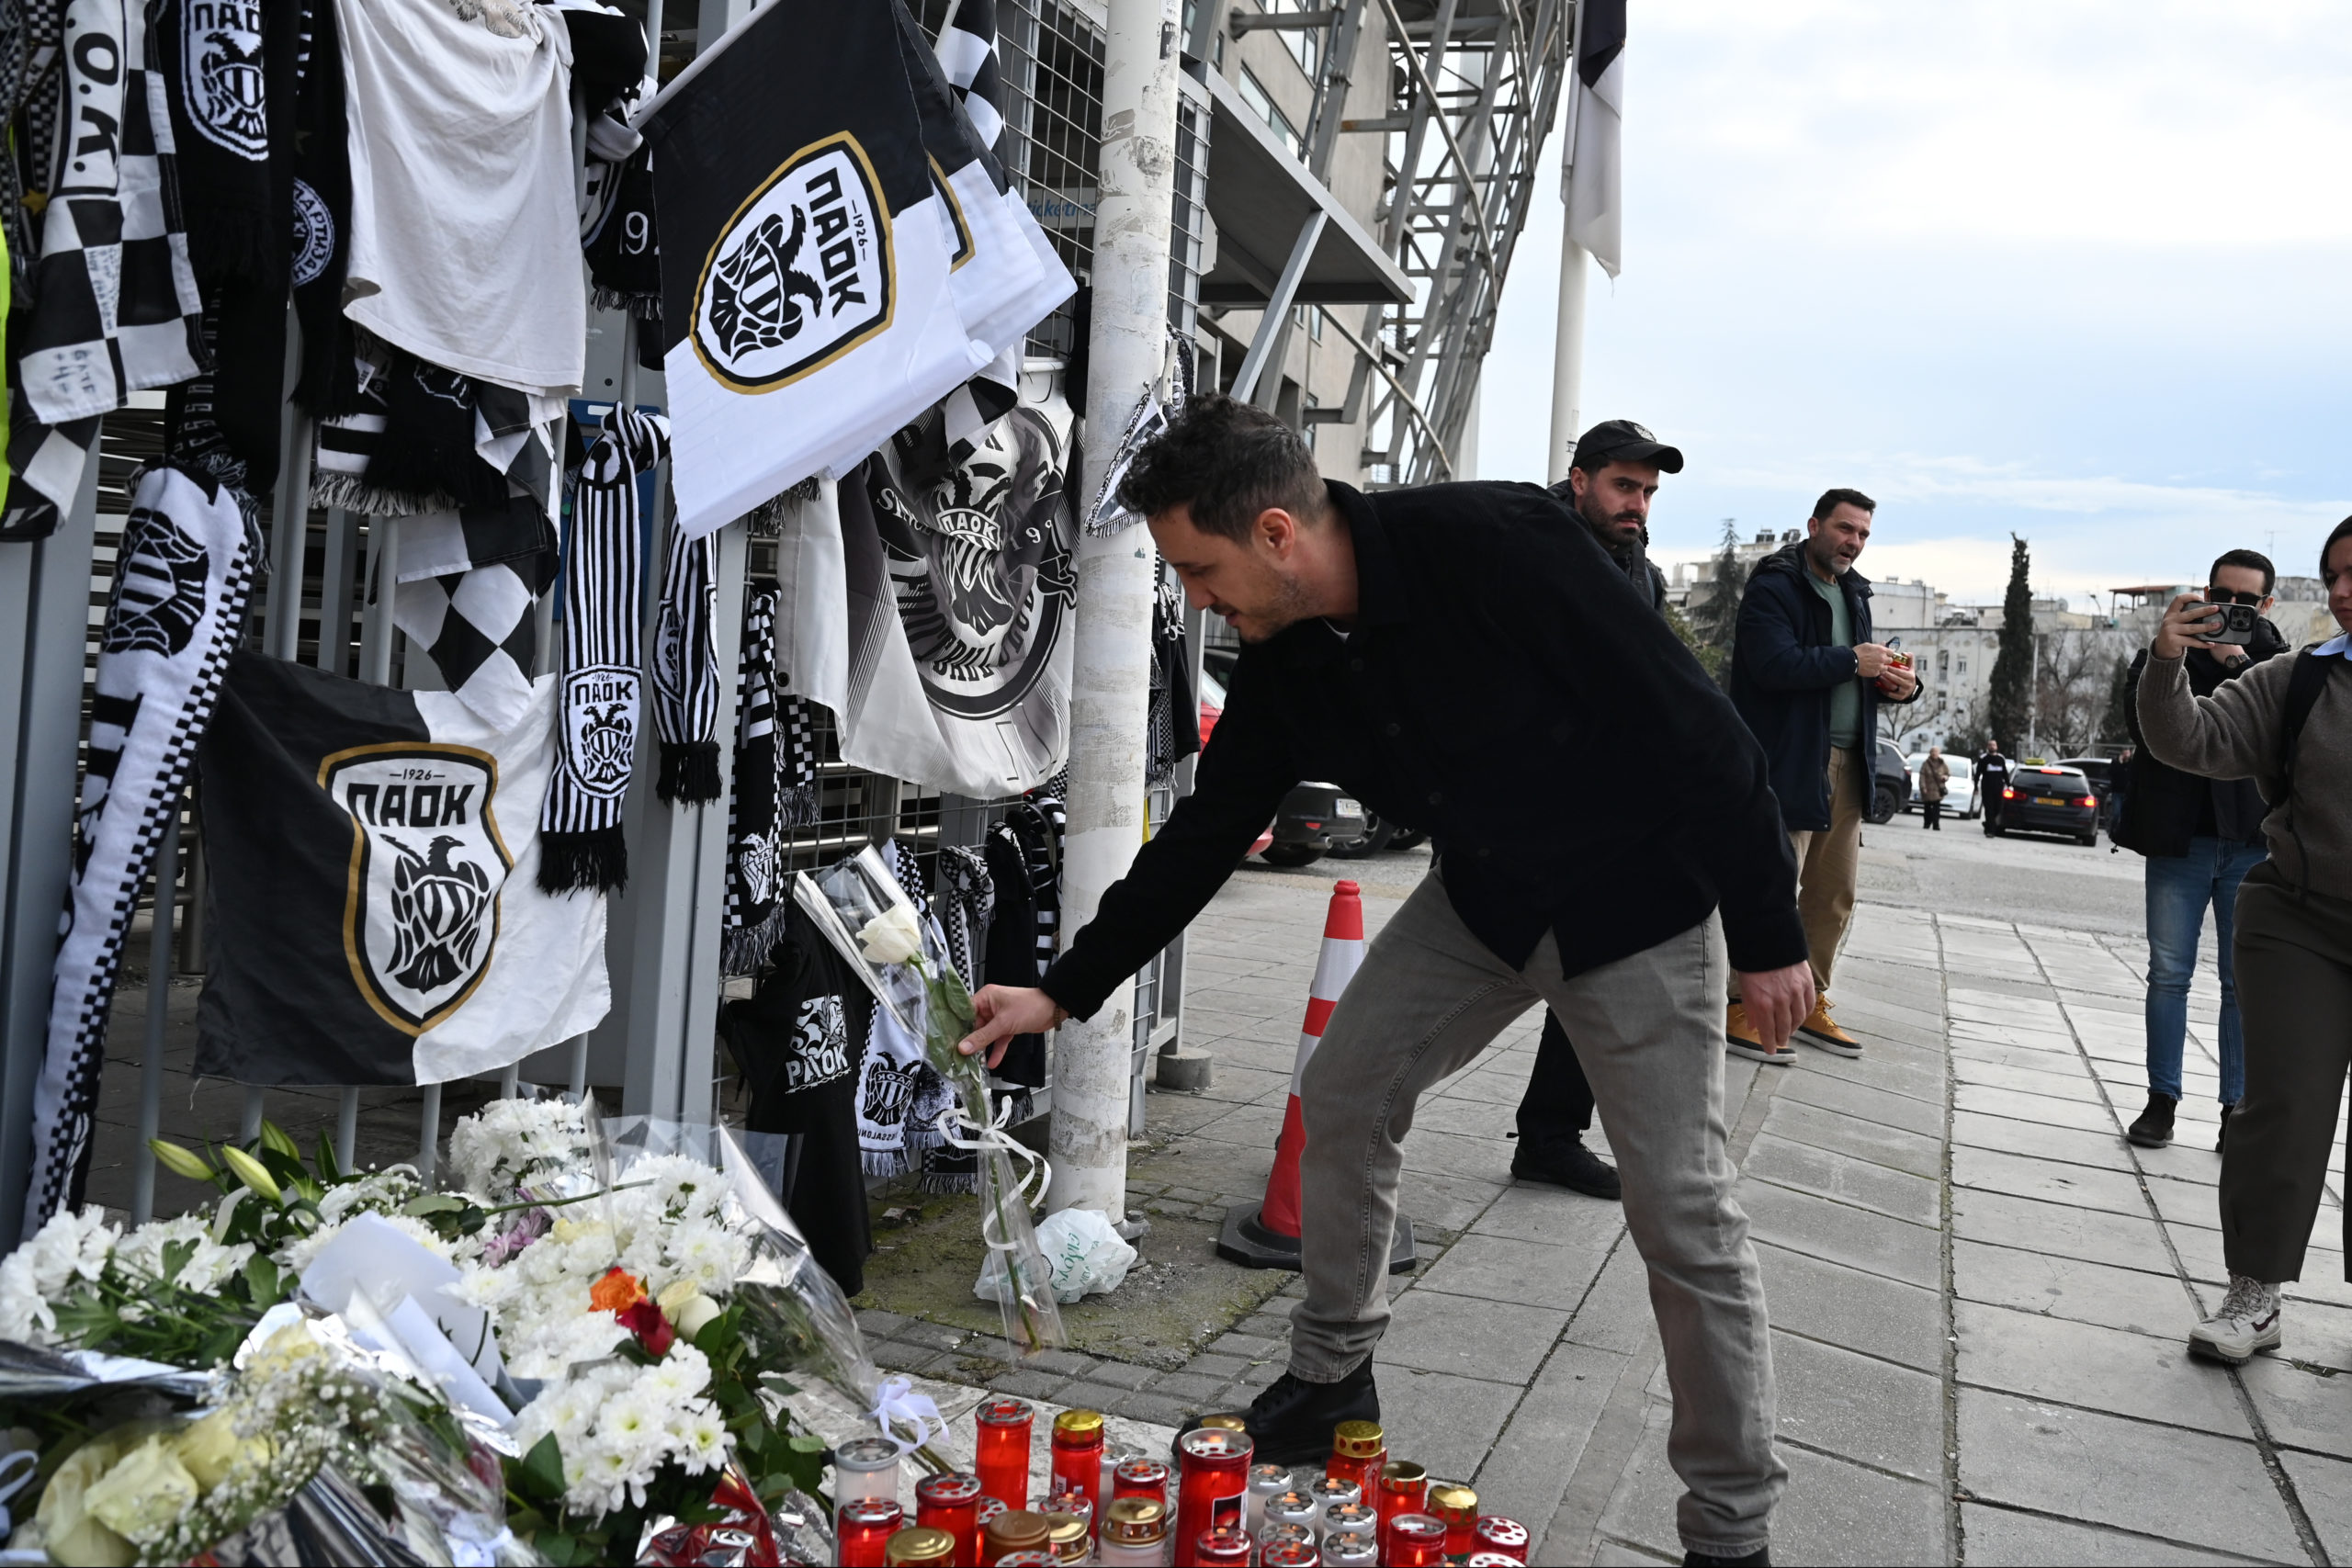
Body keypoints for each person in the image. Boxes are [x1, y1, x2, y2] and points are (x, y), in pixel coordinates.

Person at [958, 395, 1811, 1568]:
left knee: (1684, 1213)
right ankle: (1331, 1379)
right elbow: (1205, 833)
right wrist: (1062, 989)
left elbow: (1702, 734)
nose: (1195, 601)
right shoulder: (1286, 655)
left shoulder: (1498, 545)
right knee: (1345, 1092)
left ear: (1273, 533)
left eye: (1199, 570)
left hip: (1635, 910)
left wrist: (1767, 935)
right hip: (1484, 902)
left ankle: (1729, 1530)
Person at [2136, 520, 2352, 1368]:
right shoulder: (2300, 677)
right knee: (2284, 1106)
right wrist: (2166, 660)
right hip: (2300, 918)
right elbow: (2188, 739)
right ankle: (2254, 1294)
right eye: (2333, 576)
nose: (2341, 592)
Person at [1506, 418, 1681, 1204]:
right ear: (1580, 480)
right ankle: (1342, 1116)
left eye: (1648, 491)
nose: (1637, 503)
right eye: (1623, 485)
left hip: (1594, 813)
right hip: (1511, 812)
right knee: (1452, 981)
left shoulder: (1641, 569)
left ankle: (1550, 1136)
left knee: (1597, 966)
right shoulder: (1528, 543)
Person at [1724, 489, 1921, 1063]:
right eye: (1844, 529)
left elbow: (1854, 675)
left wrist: (1900, 687)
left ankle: (1806, 1000)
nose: (1853, 542)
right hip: (1789, 760)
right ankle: (1738, 1003)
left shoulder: (1854, 592)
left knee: (1834, 892)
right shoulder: (1775, 585)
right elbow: (1771, 664)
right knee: (1772, 885)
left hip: (1850, 761)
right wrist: (1851, 660)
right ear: (1814, 526)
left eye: (1862, 534)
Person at [2113, 551, 2286, 1153]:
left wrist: (2235, 658)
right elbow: (2139, 722)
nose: (2231, 607)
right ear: (2205, 593)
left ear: (2266, 605)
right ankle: (2161, 1100)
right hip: (2178, 836)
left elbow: (2283, 736)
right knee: (2168, 974)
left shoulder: (2280, 665)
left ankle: (2235, 1109)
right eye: (2222, 594)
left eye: (2246, 600)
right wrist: (2170, 652)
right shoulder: (2168, 649)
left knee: (2242, 983)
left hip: (2250, 842)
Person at [1974, 741, 2012, 830]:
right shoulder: (1983, 759)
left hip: (1998, 788)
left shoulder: (2001, 759)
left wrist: (2009, 785)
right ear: (1988, 747)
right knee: (1989, 809)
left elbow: (2005, 773)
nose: (1992, 747)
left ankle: (1988, 823)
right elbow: (1978, 774)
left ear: (1996, 747)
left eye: (1994, 745)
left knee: (1997, 808)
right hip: (1987, 788)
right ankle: (1990, 830)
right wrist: (1976, 786)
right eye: (1990, 745)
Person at [1917, 745, 1950, 830]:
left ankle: (1936, 824)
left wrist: (1945, 777)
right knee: (1927, 808)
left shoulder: (1942, 763)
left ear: (1939, 753)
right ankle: (1927, 823)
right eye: (1932, 751)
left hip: (1937, 790)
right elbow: (1922, 776)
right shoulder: (1925, 764)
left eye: (1936, 751)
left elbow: (1948, 773)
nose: (1934, 753)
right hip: (1928, 789)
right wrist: (1923, 787)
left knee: (1936, 809)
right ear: (1930, 753)